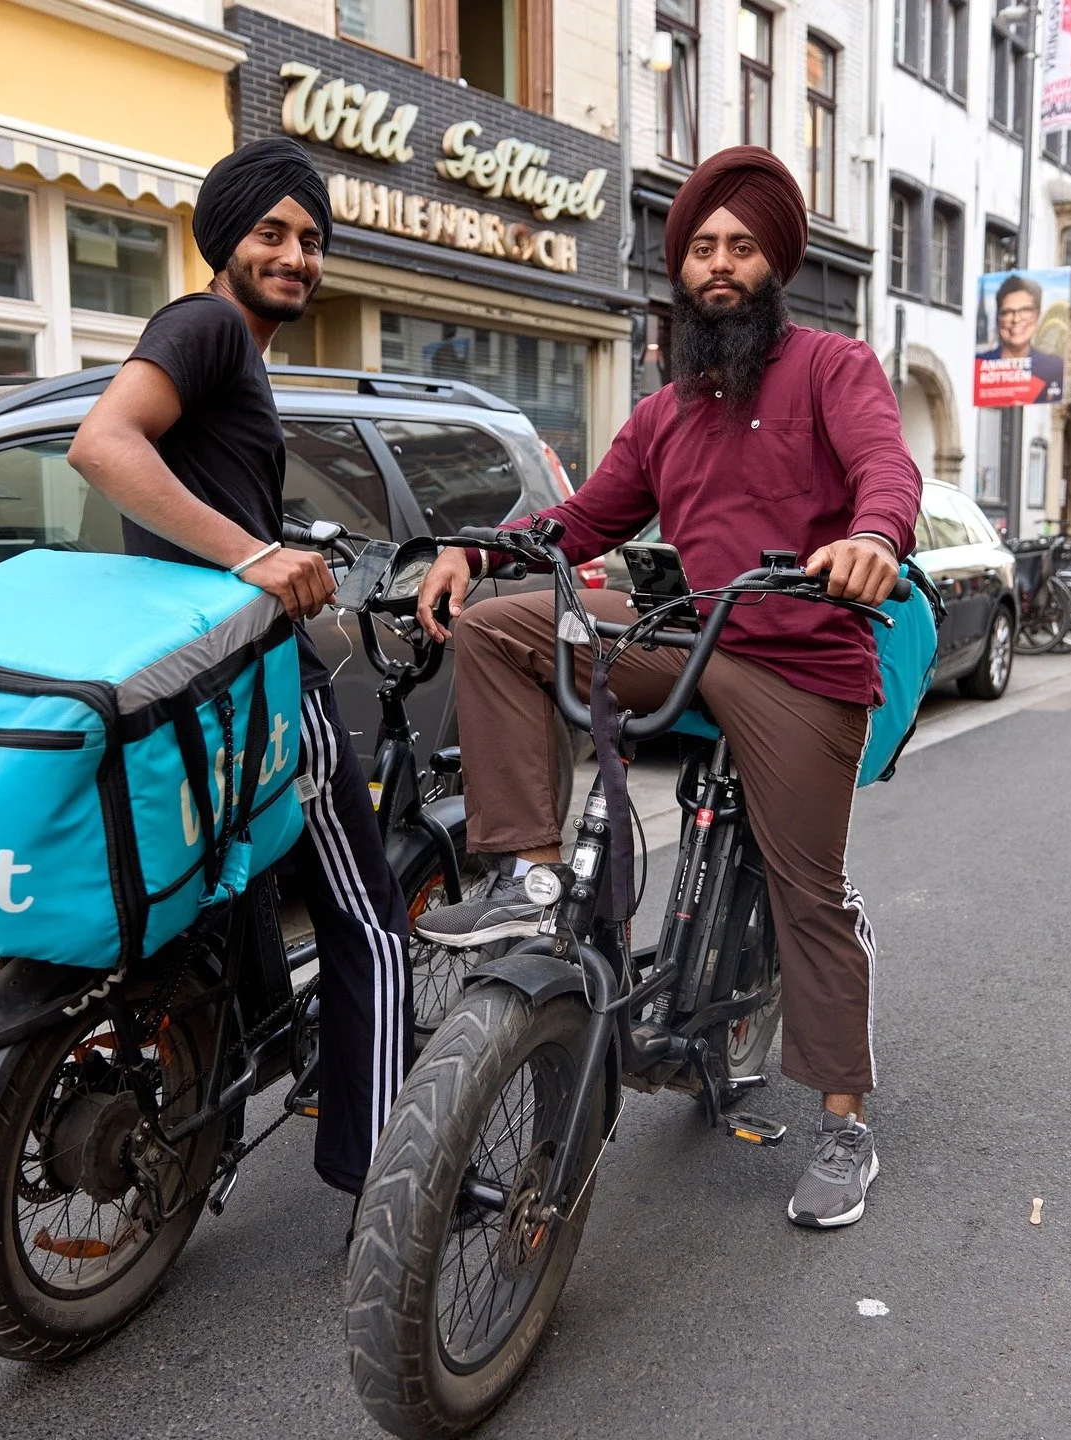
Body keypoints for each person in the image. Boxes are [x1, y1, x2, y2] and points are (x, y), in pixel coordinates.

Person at [413, 146, 921, 1231]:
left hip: (804, 663)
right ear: (682, 272)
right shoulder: (665, 412)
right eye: (702, 248)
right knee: (505, 627)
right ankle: (533, 875)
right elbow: (581, 522)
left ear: (773, 264)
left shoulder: (834, 369)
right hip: (693, 637)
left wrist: (874, 535)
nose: (721, 265)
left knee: (808, 897)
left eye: (742, 247)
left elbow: (887, 466)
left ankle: (843, 1123)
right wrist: (481, 550)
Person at [68, 137, 412, 1208]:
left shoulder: (235, 356)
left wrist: (262, 537)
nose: (297, 255)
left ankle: (237, 1071)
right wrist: (259, 556)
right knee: (374, 925)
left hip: (186, 681)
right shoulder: (208, 324)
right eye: (272, 232)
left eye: (313, 239)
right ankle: (389, 1178)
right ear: (226, 239)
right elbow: (103, 444)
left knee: (228, 900)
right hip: (255, 681)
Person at [976, 273, 1064, 403]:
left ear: (1037, 316)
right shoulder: (980, 364)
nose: (1016, 319)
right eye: (1007, 312)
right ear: (997, 318)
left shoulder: (1055, 367)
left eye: (1025, 310)